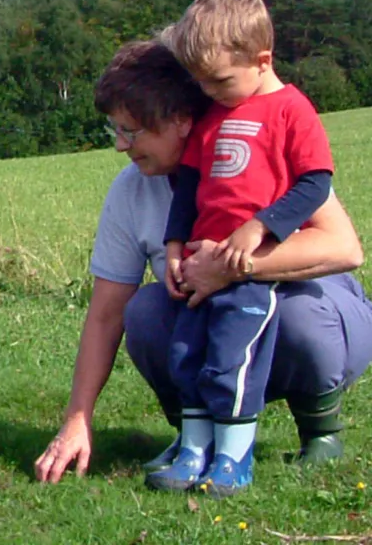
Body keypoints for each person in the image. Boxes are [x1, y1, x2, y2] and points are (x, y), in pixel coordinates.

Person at [33, 38, 371, 487]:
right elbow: (106, 313)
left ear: (181, 121)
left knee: (297, 313)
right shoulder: (132, 190)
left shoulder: (255, 151)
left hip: (315, 315)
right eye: (115, 130)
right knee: (148, 311)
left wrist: (234, 265)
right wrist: (77, 418)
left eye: (131, 131)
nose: (120, 145)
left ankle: (321, 430)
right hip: (221, 324)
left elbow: (344, 249)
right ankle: (198, 440)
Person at [148, 0, 335, 496]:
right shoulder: (211, 117)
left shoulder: (291, 110)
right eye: (202, 82)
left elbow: (315, 181)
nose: (209, 91)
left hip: (250, 271)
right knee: (186, 355)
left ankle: (234, 459)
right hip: (198, 267)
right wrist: (172, 246)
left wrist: (260, 227)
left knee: (232, 359)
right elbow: (188, 190)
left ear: (262, 60)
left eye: (221, 80)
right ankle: (193, 450)